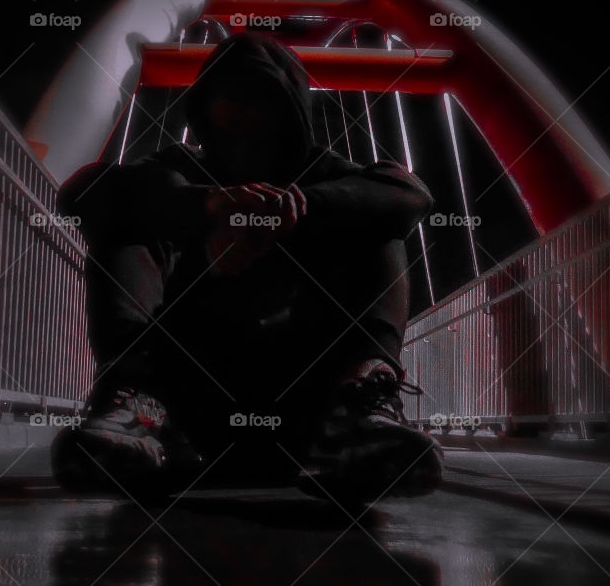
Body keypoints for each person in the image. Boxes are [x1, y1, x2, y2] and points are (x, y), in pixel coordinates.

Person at [52, 32, 443, 502]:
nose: (246, 114)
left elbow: (410, 196)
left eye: (263, 98)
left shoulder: (322, 173)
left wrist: (292, 211)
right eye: (232, 97)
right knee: (127, 215)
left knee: (378, 222)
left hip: (308, 409)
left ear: (291, 110)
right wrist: (207, 206)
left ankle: (362, 413)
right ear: (206, 107)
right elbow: (79, 194)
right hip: (188, 407)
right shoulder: (179, 170)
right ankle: (136, 403)